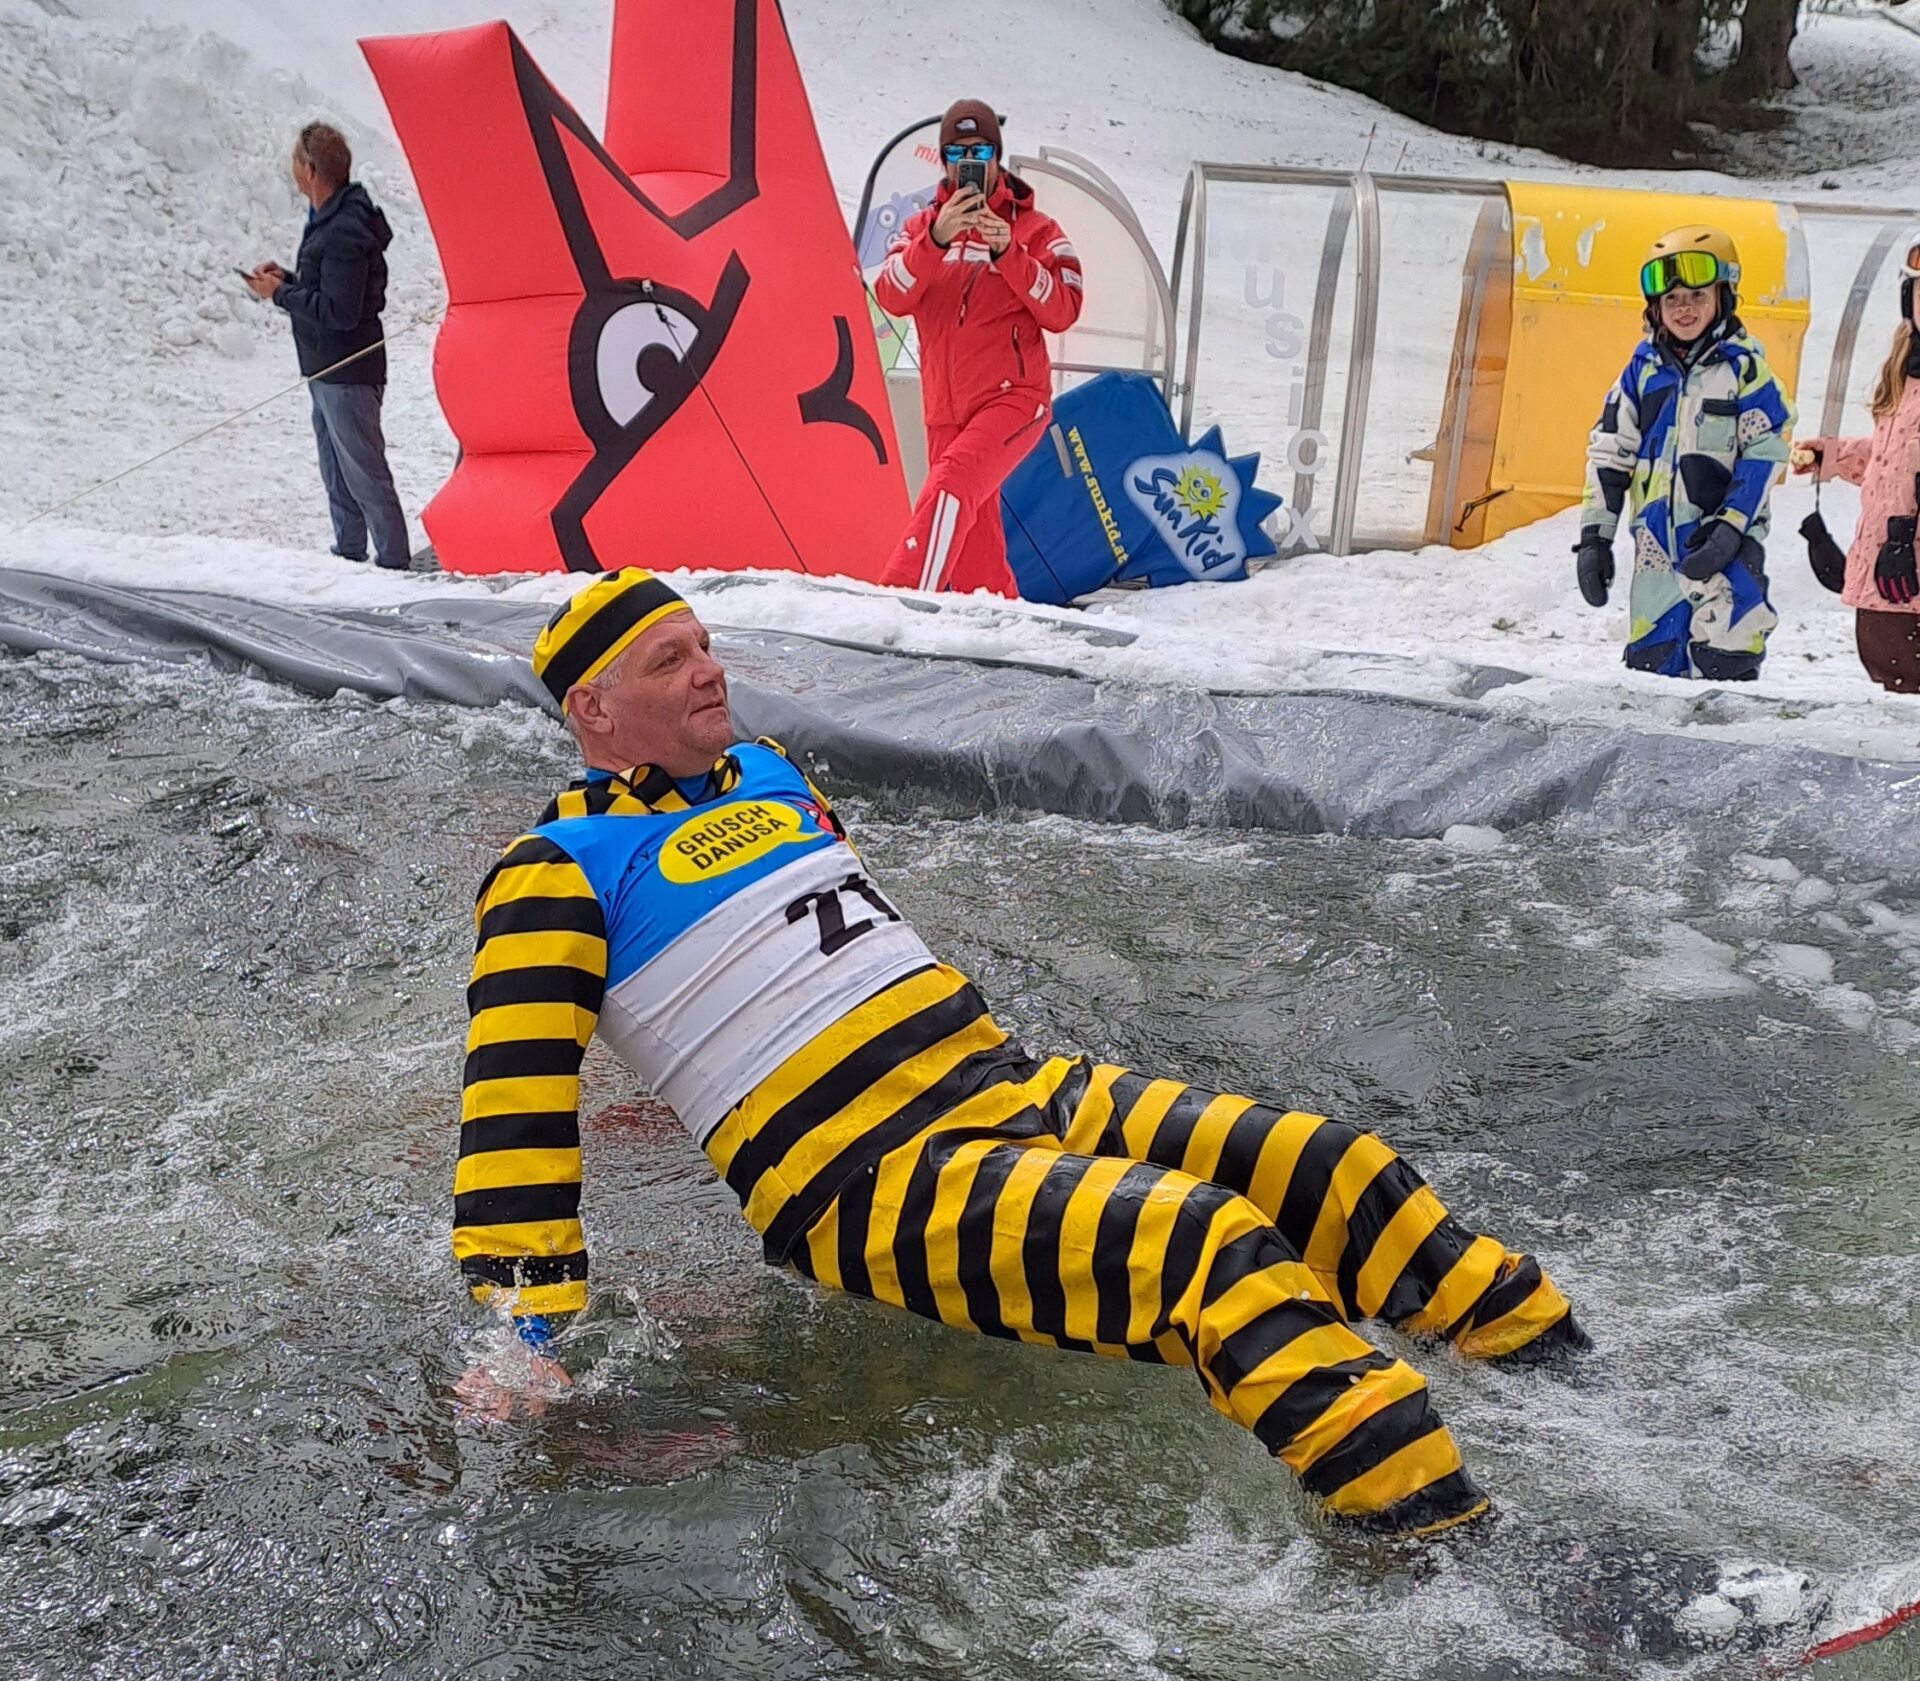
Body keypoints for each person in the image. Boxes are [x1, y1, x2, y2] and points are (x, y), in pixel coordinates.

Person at [450, 569, 1591, 1539]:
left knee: (1328, 1163)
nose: (710, 669)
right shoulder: (554, 866)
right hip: (874, 1181)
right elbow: (515, 1107)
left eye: (705, 644)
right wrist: (522, 1329)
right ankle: (1459, 1554)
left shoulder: (775, 777)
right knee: (1211, 1248)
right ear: (593, 708)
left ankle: (1577, 1381)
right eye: (669, 662)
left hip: (1010, 1090)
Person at [872, 100, 1083, 597]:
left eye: (981, 149)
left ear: (998, 156)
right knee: (975, 562)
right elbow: (890, 296)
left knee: (948, 490)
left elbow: (1063, 310)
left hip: (1014, 399)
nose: (970, 161)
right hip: (944, 410)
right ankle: (1002, 627)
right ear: (943, 161)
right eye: (957, 152)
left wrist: (1009, 252)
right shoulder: (919, 229)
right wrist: (937, 238)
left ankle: (897, 600)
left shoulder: (1038, 231)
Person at [1576, 226, 1793, 680]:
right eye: (1671, 299)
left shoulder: (1745, 370)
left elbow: (1766, 451)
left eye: (1697, 295)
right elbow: (1611, 452)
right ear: (1655, 307)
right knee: (1653, 665)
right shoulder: (1641, 373)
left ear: (1723, 297)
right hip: (1656, 548)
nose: (1684, 308)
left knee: (1727, 653)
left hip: (1724, 542)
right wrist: (1596, 537)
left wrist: (1732, 527)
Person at [244, 122, 411, 571]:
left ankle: (394, 566)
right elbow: (328, 292)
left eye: (296, 160)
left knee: (364, 475)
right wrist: (288, 280)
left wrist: (278, 295)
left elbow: (339, 312)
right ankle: (349, 557)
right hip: (326, 370)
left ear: (311, 171)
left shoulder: (342, 231)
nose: (292, 167)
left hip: (347, 373)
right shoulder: (333, 218)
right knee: (337, 473)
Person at [1790, 234, 1920, 695]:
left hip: (1908, 574)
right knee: (1892, 677)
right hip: (1888, 575)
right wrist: (1837, 456)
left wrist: (1906, 536)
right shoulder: (1903, 372)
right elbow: (1897, 459)